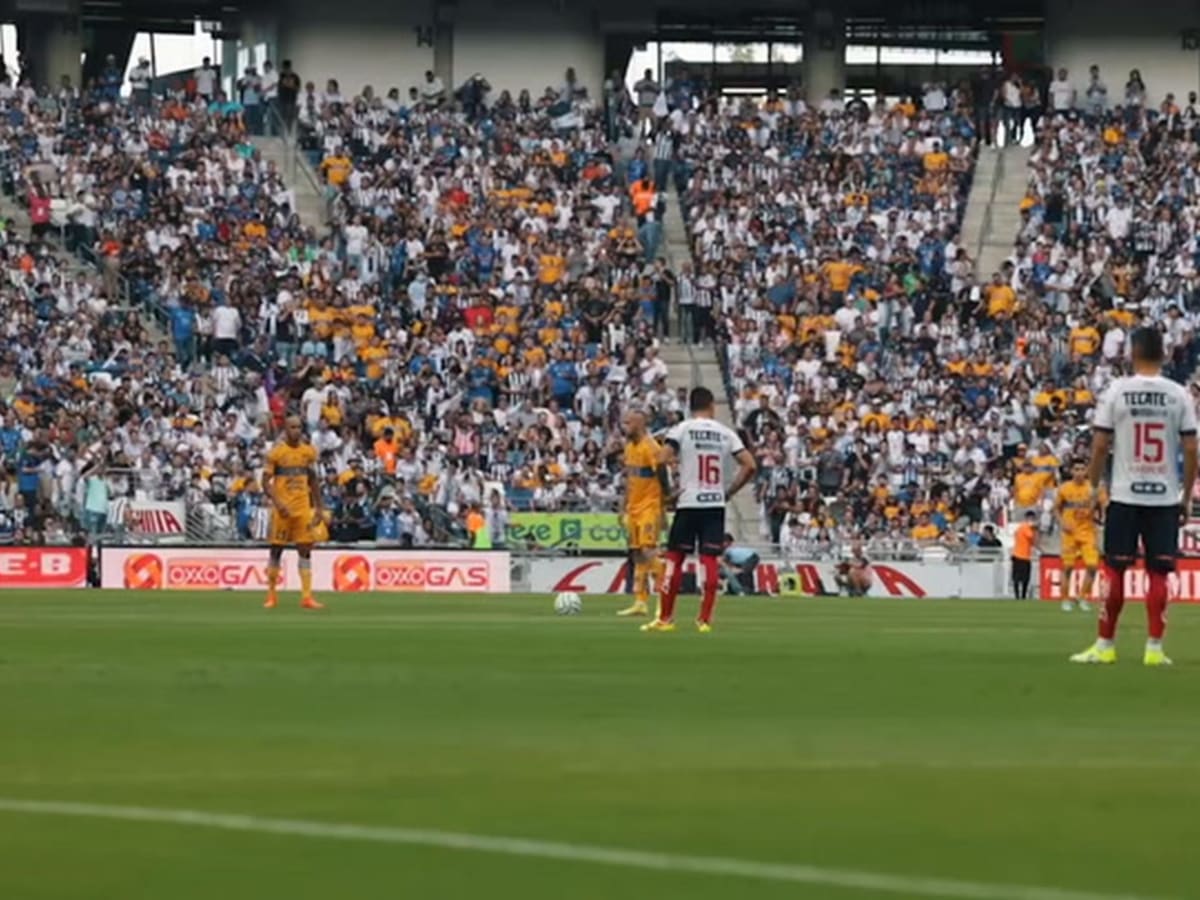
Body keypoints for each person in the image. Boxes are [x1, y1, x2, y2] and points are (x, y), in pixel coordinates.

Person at [1072, 327, 1198, 666]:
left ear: (1133, 352)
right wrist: (1185, 497)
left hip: (1125, 495)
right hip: (1163, 498)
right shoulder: (1179, 394)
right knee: (1159, 572)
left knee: (1114, 570)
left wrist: (1096, 488)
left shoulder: (1117, 391)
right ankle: (1154, 649)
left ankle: (1105, 644)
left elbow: (1100, 445)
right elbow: (1191, 448)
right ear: (1164, 354)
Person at [644, 387, 756, 633]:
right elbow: (750, 465)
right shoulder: (726, 433)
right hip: (714, 505)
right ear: (712, 405)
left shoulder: (682, 429)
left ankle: (666, 619)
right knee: (709, 562)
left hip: (688, 502)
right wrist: (728, 493)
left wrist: (667, 493)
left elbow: (661, 460)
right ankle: (704, 621)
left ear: (690, 406)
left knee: (674, 560)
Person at [262, 415, 327, 611]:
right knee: (276, 551)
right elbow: (265, 482)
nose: (296, 431)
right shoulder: (276, 453)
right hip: (283, 511)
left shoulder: (308, 452)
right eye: (292, 427)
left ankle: (307, 597)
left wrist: (319, 508)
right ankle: (271, 595)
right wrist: (278, 502)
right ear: (285, 429)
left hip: (302, 510)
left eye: (299, 427)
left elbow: (314, 480)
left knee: (305, 551)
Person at [617, 409, 666, 617]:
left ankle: (665, 596)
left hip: (649, 507)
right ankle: (640, 601)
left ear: (639, 424)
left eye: (628, 423)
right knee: (637, 554)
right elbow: (630, 480)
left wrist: (663, 509)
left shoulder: (651, 447)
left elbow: (662, 475)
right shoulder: (629, 447)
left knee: (648, 551)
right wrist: (623, 506)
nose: (624, 427)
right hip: (634, 509)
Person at [1055, 460, 1100, 613]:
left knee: (1092, 566)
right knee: (1068, 567)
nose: (1079, 472)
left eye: (1082, 469)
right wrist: (1062, 523)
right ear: (1072, 471)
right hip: (1070, 532)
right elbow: (1056, 509)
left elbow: (1103, 506)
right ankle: (1066, 599)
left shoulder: (1092, 488)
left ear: (1086, 471)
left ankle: (1083, 597)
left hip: (1088, 532)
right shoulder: (1064, 488)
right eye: (1076, 469)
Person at [1012, 510, 1038, 600]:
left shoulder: (1021, 527)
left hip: (1023, 555)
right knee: (1020, 578)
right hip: (1021, 556)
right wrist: (1035, 528)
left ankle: (1021, 596)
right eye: (1031, 519)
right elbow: (1031, 536)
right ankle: (1019, 596)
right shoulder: (1025, 527)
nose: (1032, 521)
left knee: (1023, 578)